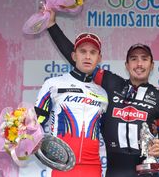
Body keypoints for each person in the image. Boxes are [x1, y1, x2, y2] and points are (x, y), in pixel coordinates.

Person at [45, 10, 159, 177]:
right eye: (133, 59)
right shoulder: (112, 84)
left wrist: (158, 148)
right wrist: (52, 26)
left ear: (152, 65)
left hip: (146, 171)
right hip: (115, 170)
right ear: (126, 65)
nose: (139, 64)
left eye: (144, 59)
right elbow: (79, 61)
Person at [34, 32, 108, 177]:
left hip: (92, 167)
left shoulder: (103, 93)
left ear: (98, 58)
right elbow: (36, 123)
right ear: (74, 56)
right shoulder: (53, 84)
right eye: (83, 51)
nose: (87, 56)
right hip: (60, 165)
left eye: (93, 52)